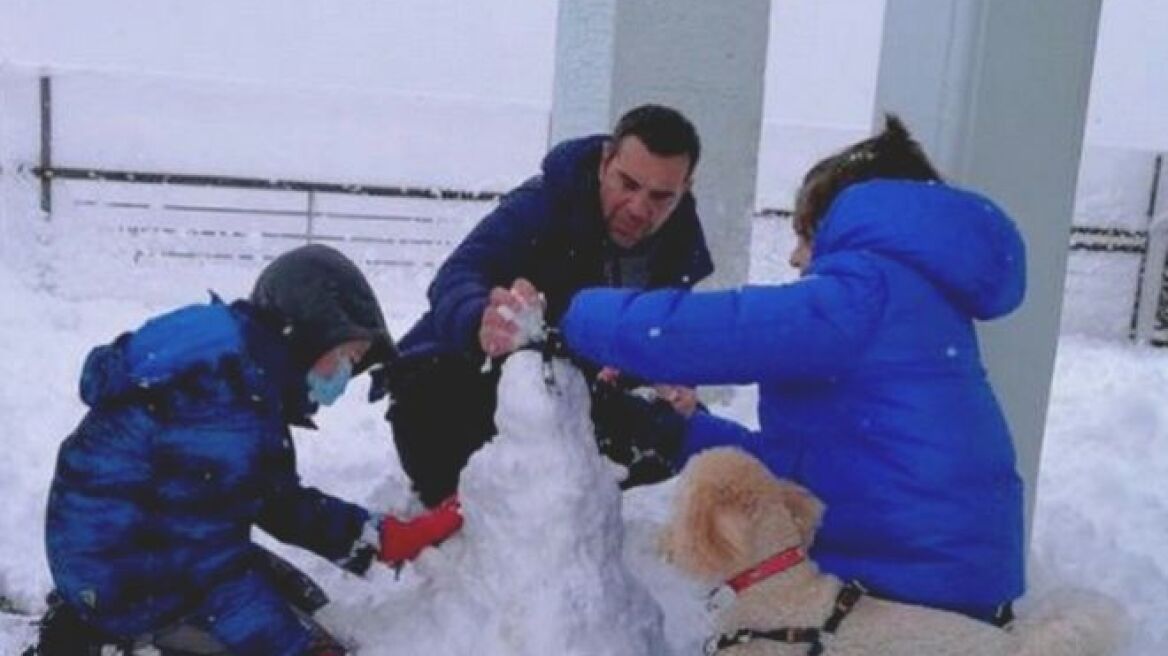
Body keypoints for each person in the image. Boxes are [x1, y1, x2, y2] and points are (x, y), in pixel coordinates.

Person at [557, 116, 1026, 624]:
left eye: (805, 237)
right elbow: (805, 469)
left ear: (841, 227)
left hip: (906, 599)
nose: (795, 258)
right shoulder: (917, 302)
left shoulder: (865, 294)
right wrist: (683, 431)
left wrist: (569, 311)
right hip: (942, 587)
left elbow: (713, 332)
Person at [36, 244, 464, 656]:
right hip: (123, 575)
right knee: (304, 640)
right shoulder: (223, 398)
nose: (344, 376)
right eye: (345, 357)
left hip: (127, 544)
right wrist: (291, 648)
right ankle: (110, 641)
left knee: (309, 602)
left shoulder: (240, 371)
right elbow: (211, 563)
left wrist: (381, 539)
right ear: (312, 330)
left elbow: (272, 499)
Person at [385, 104, 714, 507]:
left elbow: (660, 350)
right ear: (604, 163)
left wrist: (671, 386)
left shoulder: (678, 251)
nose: (638, 208)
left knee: (679, 434)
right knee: (434, 400)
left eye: (661, 197)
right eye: (627, 184)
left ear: (685, 188)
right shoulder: (543, 204)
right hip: (471, 379)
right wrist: (481, 318)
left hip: (579, 397)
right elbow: (459, 273)